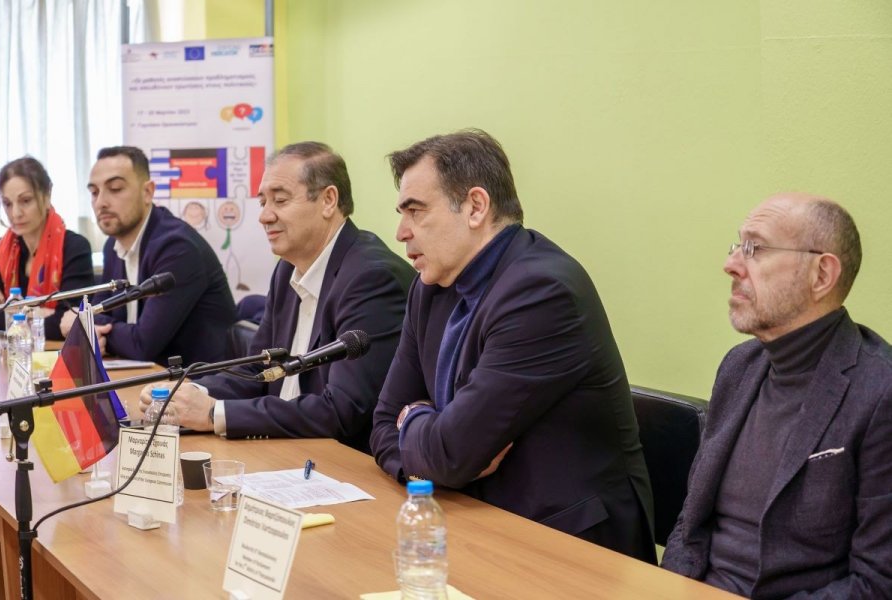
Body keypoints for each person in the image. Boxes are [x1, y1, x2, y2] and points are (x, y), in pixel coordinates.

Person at [370, 129, 655, 562]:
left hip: (567, 545)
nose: (401, 232)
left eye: (416, 211)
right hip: (473, 520)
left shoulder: (542, 291)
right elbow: (383, 423)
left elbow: (451, 453)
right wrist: (431, 455)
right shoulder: (430, 288)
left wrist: (416, 425)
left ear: (475, 207)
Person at [662, 194, 892, 598]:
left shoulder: (880, 391)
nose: (731, 264)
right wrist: (667, 588)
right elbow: (690, 523)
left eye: (756, 248)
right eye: (737, 246)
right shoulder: (739, 366)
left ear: (821, 275)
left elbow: (878, 583)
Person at [139, 142, 413, 451]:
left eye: (280, 200)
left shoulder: (371, 278)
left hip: (339, 461)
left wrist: (215, 413)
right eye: (262, 202)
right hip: (283, 450)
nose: (264, 216)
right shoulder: (287, 269)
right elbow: (255, 371)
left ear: (328, 200)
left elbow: (342, 410)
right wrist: (189, 392)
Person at [60, 146, 236, 365]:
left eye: (115, 189)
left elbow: (143, 344)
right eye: (94, 192)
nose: (101, 202)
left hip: (201, 379)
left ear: (148, 192)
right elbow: (96, 312)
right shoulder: (113, 246)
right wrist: (90, 325)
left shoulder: (177, 248)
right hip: (151, 374)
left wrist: (86, 328)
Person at [0, 156, 94, 339]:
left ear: (47, 195)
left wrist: (10, 312)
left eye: (26, 200)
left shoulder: (75, 248)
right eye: (7, 203)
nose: (15, 213)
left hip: (59, 354)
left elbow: (70, 324)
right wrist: (39, 314)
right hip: (13, 353)